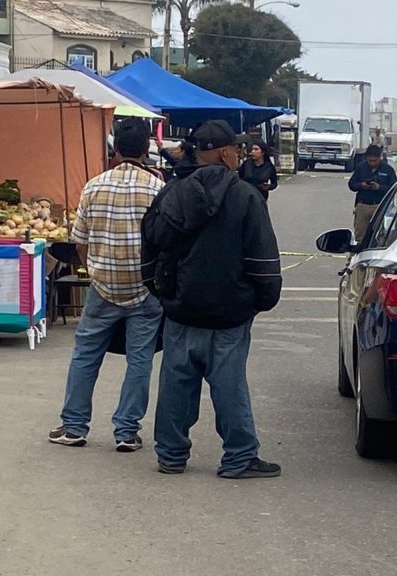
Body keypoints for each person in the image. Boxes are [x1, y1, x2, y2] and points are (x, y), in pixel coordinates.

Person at [141, 119, 283, 479]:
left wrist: (159, 290)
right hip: (230, 311)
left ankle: (171, 454)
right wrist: (261, 300)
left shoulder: (172, 192)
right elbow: (263, 260)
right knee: (229, 384)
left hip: (181, 307)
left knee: (175, 382)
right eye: (236, 149)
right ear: (224, 153)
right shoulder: (246, 196)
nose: (240, 154)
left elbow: (149, 244)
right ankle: (239, 457)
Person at [49, 117, 165, 452]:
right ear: (146, 149)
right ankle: (127, 431)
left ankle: (74, 426)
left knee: (86, 354)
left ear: (115, 149)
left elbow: (80, 241)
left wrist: (94, 270)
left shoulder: (93, 186)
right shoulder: (157, 189)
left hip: (102, 287)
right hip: (144, 289)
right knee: (140, 359)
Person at [348, 144, 397, 240]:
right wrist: (361, 185)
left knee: (381, 236)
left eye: (375, 160)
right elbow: (351, 185)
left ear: (380, 158)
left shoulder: (388, 170)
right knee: (360, 236)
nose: (372, 163)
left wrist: (379, 187)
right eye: (369, 160)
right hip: (363, 206)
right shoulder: (361, 168)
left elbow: (394, 189)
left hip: (380, 206)